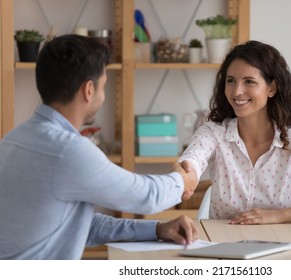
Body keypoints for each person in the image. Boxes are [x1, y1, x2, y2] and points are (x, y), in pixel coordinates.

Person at [0, 34, 198, 260]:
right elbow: (146, 195)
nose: (103, 96)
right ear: (88, 90)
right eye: (104, 86)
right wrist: (182, 180)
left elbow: (79, 225)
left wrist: (156, 230)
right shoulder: (69, 152)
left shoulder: (12, 141)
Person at [180, 40, 291, 224]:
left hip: (280, 246)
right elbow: (190, 161)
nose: (237, 91)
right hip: (222, 246)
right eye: (231, 81)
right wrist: (187, 174)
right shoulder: (213, 133)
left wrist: (280, 215)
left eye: (249, 81)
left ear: (271, 88)